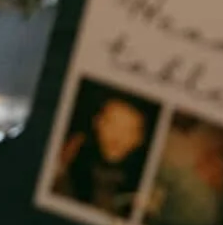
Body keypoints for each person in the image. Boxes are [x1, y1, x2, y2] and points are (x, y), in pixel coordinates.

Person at [53, 88, 155, 218]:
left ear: (140, 139)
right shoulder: (70, 159)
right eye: (111, 124)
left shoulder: (143, 182)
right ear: (97, 122)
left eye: (128, 130)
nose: (116, 137)